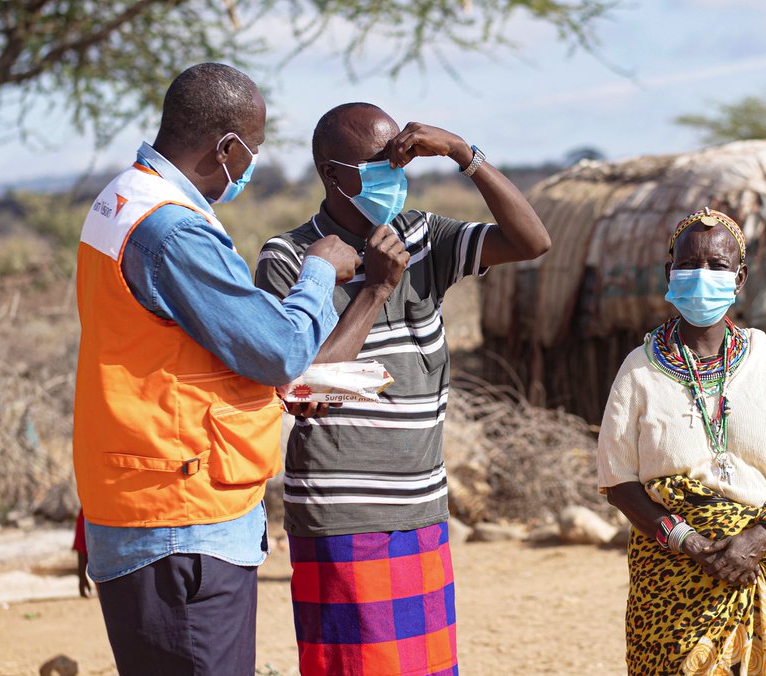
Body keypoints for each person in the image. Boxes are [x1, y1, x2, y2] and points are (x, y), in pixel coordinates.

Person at [72, 62, 360, 675]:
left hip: (145, 499)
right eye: (251, 151)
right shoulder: (171, 230)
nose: (251, 165)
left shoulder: (120, 198)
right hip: (182, 519)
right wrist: (318, 272)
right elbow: (278, 348)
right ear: (228, 148)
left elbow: (170, 354)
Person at [253, 102, 550, 676]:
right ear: (333, 174)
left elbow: (532, 241)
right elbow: (297, 387)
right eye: (377, 164)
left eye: (400, 160)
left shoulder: (422, 235)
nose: (395, 175)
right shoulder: (291, 258)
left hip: (420, 505)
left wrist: (466, 155)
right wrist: (375, 290)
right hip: (343, 513)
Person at [596, 207, 766, 675]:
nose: (702, 276)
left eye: (717, 266)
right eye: (689, 265)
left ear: (739, 278)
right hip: (671, 572)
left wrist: (759, 537)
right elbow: (618, 481)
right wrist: (685, 540)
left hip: (763, 559)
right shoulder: (638, 371)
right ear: (670, 273)